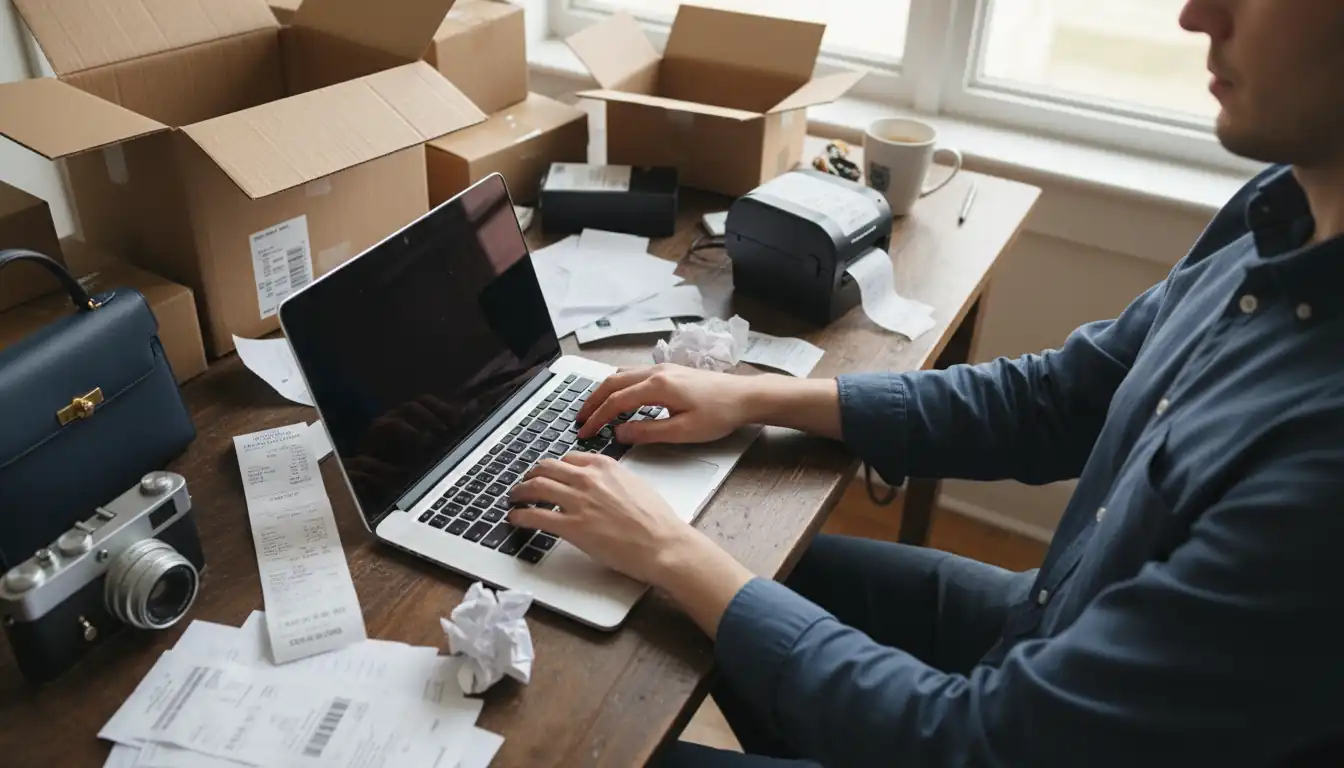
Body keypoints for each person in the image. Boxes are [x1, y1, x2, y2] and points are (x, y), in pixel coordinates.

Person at [507, 0, 1344, 764]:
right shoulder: (1278, 209)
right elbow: (1058, 400)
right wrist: (757, 397)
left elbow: (976, 740)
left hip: (1002, 729)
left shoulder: (1322, 474)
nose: (1196, 14)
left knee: (585, 741)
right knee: (705, 564)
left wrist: (672, 553)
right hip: (1053, 616)